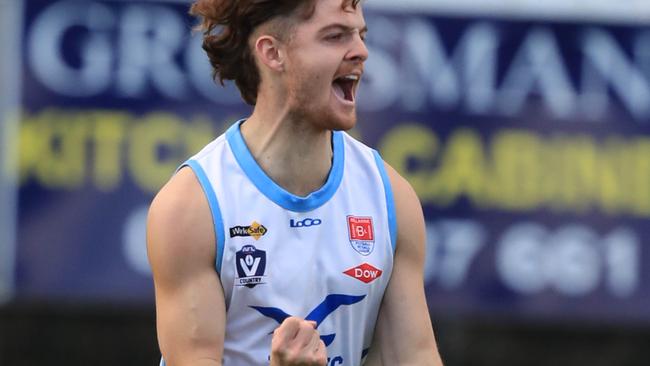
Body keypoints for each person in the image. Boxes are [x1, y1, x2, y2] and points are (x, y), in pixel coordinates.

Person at [146, 0, 444, 365]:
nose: (362, 52)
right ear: (273, 52)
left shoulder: (390, 197)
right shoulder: (192, 205)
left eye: (361, 35)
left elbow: (414, 357)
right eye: (335, 36)